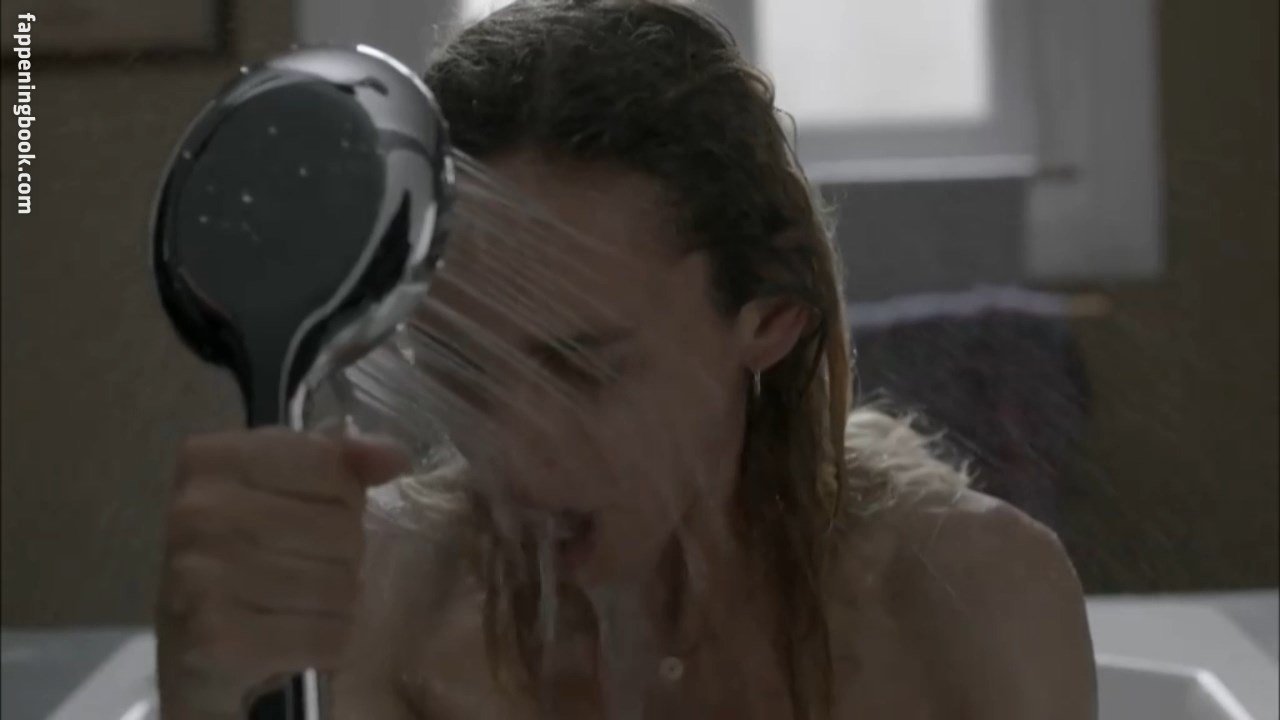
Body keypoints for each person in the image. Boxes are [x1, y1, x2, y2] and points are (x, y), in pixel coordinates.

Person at [155, 2, 1096, 718]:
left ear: (772, 319)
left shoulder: (966, 603)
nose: (517, 457)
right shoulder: (383, 603)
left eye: (586, 369)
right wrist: (212, 702)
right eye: (463, 367)